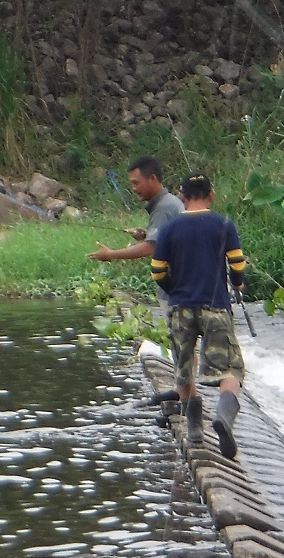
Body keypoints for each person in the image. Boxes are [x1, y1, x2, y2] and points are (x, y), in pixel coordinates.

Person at [149, 172, 248, 459]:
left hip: (181, 308)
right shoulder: (224, 224)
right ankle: (224, 418)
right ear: (211, 195)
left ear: (181, 196)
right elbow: (237, 264)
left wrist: (175, 288)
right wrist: (238, 284)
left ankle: (194, 428)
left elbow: (157, 271)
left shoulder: (169, 228)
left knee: (184, 366)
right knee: (231, 369)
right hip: (215, 306)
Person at [86, 155, 185, 422]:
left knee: (182, 342)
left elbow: (153, 248)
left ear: (153, 179)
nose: (134, 188)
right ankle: (182, 392)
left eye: (136, 182)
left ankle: (186, 399)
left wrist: (112, 254)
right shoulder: (165, 206)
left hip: (177, 287)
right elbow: (161, 238)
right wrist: (145, 233)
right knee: (179, 343)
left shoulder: (164, 207)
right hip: (176, 287)